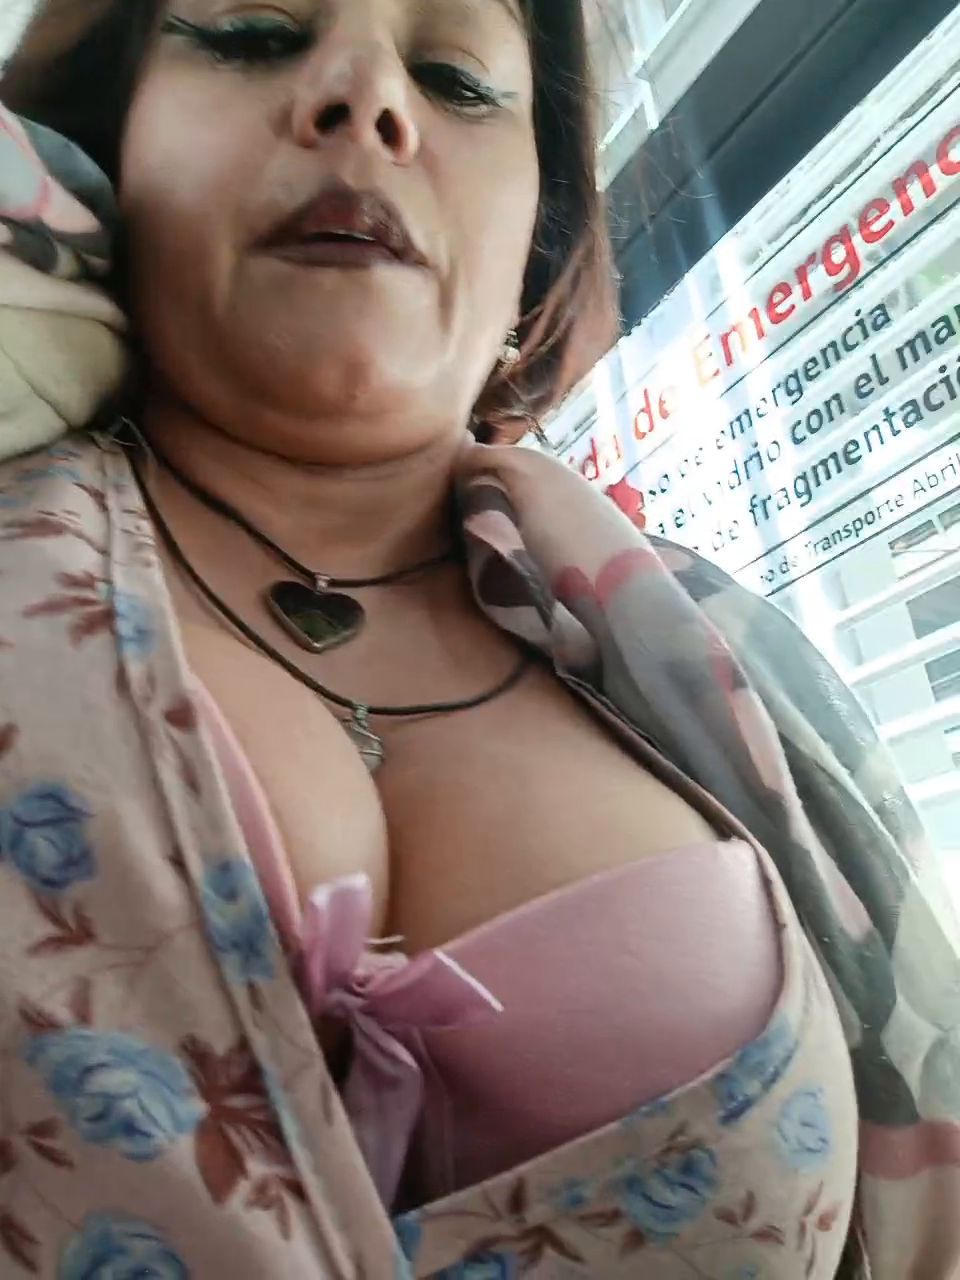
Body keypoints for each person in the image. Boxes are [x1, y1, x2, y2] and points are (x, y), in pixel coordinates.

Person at [0, 3, 957, 1277]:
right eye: (250, 32)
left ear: (537, 234)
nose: (364, 98)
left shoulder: (730, 678)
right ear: (105, 140)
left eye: (454, 79)